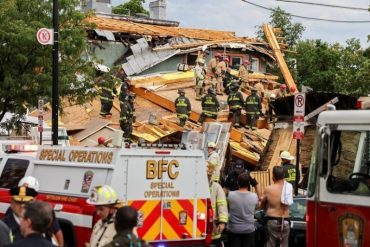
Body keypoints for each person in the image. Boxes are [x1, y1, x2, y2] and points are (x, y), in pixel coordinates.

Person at [2, 176, 64, 246]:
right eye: (18, 202)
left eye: (26, 202)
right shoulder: (3, 227)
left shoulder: (42, 214)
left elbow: (56, 233)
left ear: (33, 201)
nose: (22, 206)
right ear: (12, 203)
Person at [260, 166, 291, 247]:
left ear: (273, 177)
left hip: (272, 220)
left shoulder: (269, 189)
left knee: (270, 244)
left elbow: (261, 206)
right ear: (284, 176)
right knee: (284, 245)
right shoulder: (288, 188)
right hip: (285, 220)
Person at [227, 173, 259, 247]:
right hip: (249, 229)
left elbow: (228, 207)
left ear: (237, 182)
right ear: (248, 184)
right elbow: (257, 206)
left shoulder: (231, 195)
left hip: (234, 229)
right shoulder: (254, 196)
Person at [206, 163, 228, 247]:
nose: (208, 177)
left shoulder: (216, 187)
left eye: (209, 175)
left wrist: (222, 222)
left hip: (213, 227)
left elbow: (222, 205)